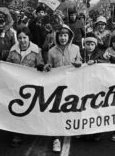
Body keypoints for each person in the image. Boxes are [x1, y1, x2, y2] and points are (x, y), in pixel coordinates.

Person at [43, 24, 81, 152]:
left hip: (72, 85)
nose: (63, 38)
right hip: (57, 86)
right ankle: (56, 138)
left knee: (72, 108)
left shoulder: (76, 48)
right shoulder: (52, 51)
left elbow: (81, 63)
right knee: (57, 111)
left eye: (65, 35)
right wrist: (47, 66)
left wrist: (79, 64)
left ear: (69, 36)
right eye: (60, 35)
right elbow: (49, 65)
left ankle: (73, 129)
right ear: (57, 36)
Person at [6, 27, 44, 147]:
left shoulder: (36, 50)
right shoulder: (13, 50)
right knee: (16, 109)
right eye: (20, 38)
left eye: (24, 38)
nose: (22, 40)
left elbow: (41, 63)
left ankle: (31, 129)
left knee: (30, 109)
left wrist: (41, 66)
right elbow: (7, 65)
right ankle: (17, 135)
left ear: (29, 38)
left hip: (30, 86)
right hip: (16, 85)